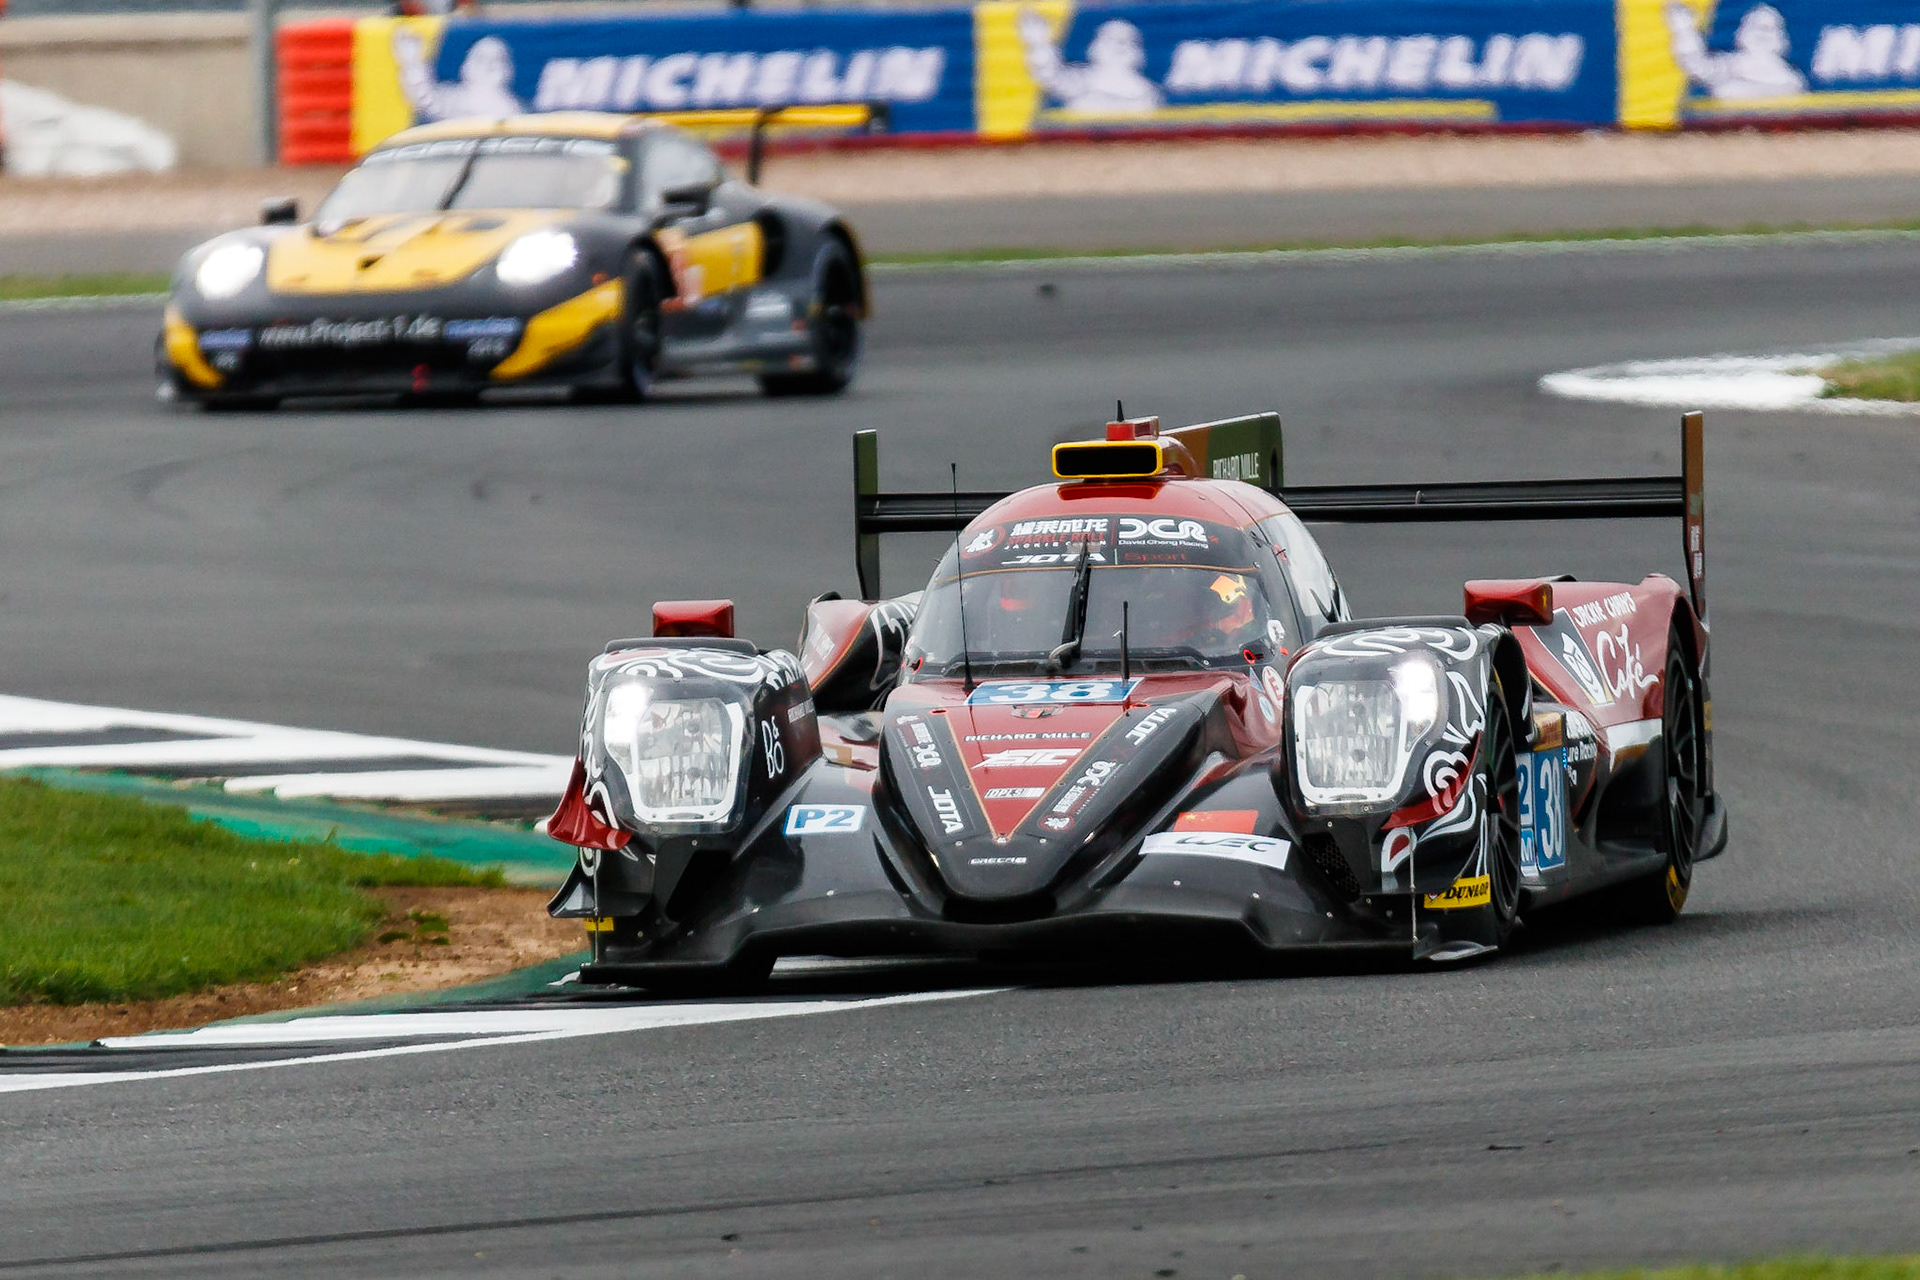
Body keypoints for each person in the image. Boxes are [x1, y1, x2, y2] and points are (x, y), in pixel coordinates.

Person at [1016, 9, 1162, 114]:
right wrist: (1039, 43)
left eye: (1127, 41)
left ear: (1139, 53)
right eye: (1110, 39)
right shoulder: (1078, 81)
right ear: (1094, 47)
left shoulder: (1149, 93)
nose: (1119, 45)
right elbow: (1049, 74)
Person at [1664, 2, 1806, 100]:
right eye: (1756, 26)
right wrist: (1684, 30)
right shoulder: (1729, 64)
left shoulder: (1790, 77)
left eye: (1768, 28)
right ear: (1743, 31)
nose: (1761, 34)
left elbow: (1791, 93)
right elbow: (1697, 66)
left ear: (1781, 36)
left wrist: (1732, 89)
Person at [393, 29, 523, 122]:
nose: (489, 65)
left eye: (498, 59)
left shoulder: (514, 107)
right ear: (466, 66)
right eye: (481, 59)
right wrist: (412, 63)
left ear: (509, 68)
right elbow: (425, 99)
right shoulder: (453, 99)